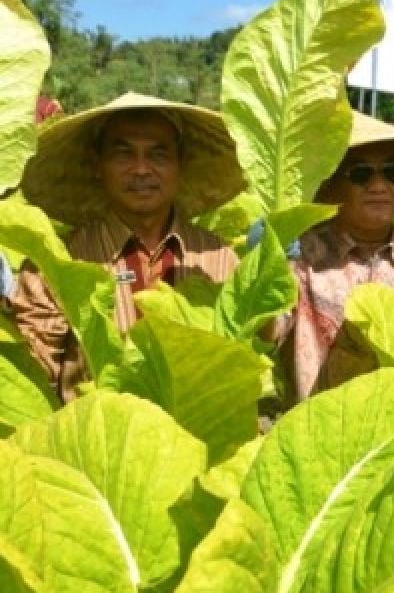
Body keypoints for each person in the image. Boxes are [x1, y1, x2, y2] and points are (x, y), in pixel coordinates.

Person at [11, 92, 244, 400]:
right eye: (124, 154)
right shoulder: (58, 263)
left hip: (202, 442)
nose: (141, 169)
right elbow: (32, 381)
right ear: (97, 164)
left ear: (179, 164)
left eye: (158, 155)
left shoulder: (220, 259)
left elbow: (247, 357)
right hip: (97, 443)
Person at [272, 110, 394, 404]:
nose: (378, 186)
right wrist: (265, 267)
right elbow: (268, 333)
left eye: (392, 172)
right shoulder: (302, 259)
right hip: (319, 436)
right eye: (360, 173)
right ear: (333, 183)